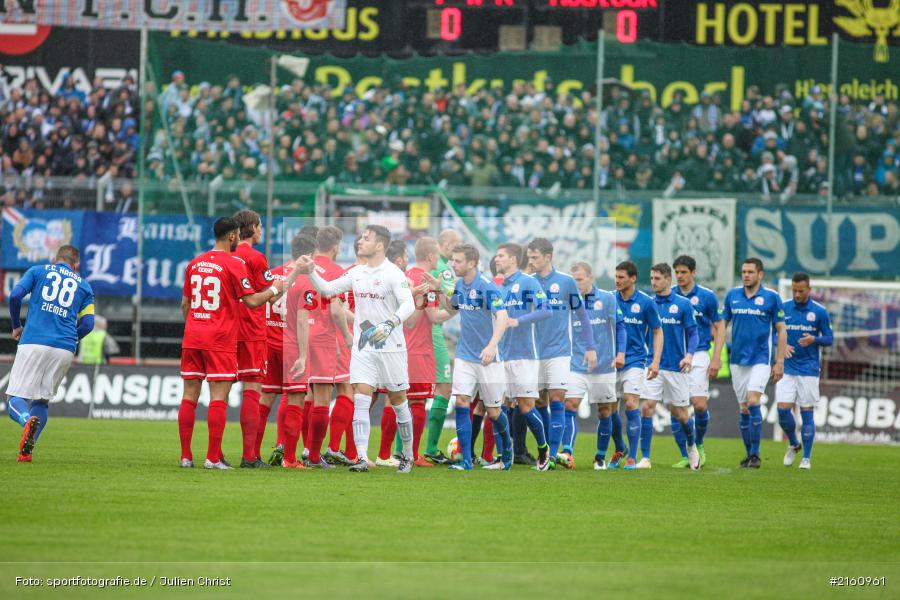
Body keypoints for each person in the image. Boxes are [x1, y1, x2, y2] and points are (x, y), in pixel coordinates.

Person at [293, 225, 418, 473]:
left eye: (366, 238)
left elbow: (409, 304)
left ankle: (407, 453)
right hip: (364, 347)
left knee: (398, 400)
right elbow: (328, 290)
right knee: (361, 398)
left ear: (380, 245)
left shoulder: (393, 273)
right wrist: (311, 273)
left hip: (392, 347)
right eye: (361, 237)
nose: (360, 241)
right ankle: (361, 457)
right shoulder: (357, 272)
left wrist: (391, 323)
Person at [178, 218, 284, 470]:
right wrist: (275, 289)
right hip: (220, 337)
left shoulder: (195, 262)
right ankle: (213, 457)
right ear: (233, 236)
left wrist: (194, 325)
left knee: (189, 396)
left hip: (192, 335)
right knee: (219, 397)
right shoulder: (234, 263)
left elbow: (185, 303)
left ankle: (185, 456)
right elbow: (252, 302)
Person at [424, 243, 512, 471]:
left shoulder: (487, 286)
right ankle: (465, 461)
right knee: (462, 401)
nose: (453, 264)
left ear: (472, 263)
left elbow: (502, 317)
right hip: (465, 356)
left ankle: (507, 452)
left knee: (494, 411)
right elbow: (453, 308)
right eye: (453, 260)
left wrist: (492, 346)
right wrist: (439, 290)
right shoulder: (460, 284)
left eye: (458, 261)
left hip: (488, 358)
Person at [6, 245, 95, 462]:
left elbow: (16, 295)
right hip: (64, 348)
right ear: (77, 265)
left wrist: (17, 325)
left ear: (54, 259)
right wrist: (71, 339)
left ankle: (26, 420)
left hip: (34, 341)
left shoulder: (38, 271)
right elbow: (89, 324)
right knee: (42, 402)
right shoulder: (84, 287)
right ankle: (27, 451)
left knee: (14, 399)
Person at [525, 238, 597, 469]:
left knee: (557, 398)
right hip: (534, 352)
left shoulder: (566, 282)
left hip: (559, 351)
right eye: (529, 257)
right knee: (538, 401)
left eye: (535, 257)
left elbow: (582, 315)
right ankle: (545, 448)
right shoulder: (528, 282)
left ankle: (552, 454)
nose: (531, 261)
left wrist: (591, 347)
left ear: (548, 257)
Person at [721, 257, 787, 469]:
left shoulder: (771, 297)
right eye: (743, 272)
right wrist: (716, 356)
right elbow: (723, 324)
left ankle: (756, 454)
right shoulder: (732, 295)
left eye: (750, 272)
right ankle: (749, 454)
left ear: (760, 274)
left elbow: (781, 329)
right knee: (743, 409)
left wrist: (780, 361)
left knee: (752, 401)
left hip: (761, 358)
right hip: (737, 360)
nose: (746, 275)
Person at [493, 242, 553, 470]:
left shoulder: (528, 281)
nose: (497, 259)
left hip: (525, 354)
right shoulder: (498, 287)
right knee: (499, 406)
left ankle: (543, 450)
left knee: (527, 406)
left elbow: (546, 309)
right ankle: (503, 457)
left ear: (513, 259)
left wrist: (519, 321)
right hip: (502, 355)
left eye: (501, 256)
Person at [636, 263, 701, 471]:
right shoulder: (648, 303)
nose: (653, 282)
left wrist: (689, 356)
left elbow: (693, 333)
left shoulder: (683, 305)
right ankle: (645, 457)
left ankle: (691, 446)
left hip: (677, 366)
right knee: (646, 407)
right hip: (653, 365)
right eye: (652, 278)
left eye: (657, 279)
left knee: (681, 414)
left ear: (668, 280)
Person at [566, 262, 626, 470]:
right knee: (570, 404)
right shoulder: (569, 301)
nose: (576, 284)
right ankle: (567, 452)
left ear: (591, 277)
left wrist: (620, 354)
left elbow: (620, 327)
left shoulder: (608, 299)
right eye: (573, 280)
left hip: (604, 365)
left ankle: (600, 456)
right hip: (576, 364)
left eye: (580, 279)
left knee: (605, 411)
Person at [304, 226, 353, 469]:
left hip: (300, 336)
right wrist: (345, 336)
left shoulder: (305, 266)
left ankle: (297, 450)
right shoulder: (337, 272)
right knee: (324, 398)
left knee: (303, 395)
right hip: (323, 337)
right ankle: (315, 456)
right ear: (336, 247)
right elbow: (336, 309)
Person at [231, 209, 275, 468]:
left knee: (220, 390)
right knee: (252, 390)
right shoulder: (257, 258)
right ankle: (249, 456)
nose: (262, 231)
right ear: (252, 228)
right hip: (252, 331)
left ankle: (213, 455)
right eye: (260, 226)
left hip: (226, 332)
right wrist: (282, 285)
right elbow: (267, 295)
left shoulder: (227, 255)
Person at [671, 255, 724, 468]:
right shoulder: (670, 294)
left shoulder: (707, 297)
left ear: (693, 273)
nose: (680, 276)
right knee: (677, 406)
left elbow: (720, 326)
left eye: (684, 272)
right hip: (675, 355)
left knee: (700, 405)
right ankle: (686, 454)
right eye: (677, 272)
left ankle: (698, 444)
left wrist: (717, 357)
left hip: (700, 354)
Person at [776, 272, 832, 470]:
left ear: (809, 289)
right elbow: (773, 333)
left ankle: (806, 458)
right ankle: (793, 443)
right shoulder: (784, 307)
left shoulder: (819, 311)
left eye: (801, 290)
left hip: (808, 369)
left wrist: (814, 339)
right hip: (788, 367)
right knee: (782, 411)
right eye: (794, 290)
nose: (797, 294)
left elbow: (830, 338)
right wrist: (781, 344)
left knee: (807, 413)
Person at [614, 261, 662, 470]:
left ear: (633, 278)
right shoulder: (609, 299)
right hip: (611, 361)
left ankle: (632, 457)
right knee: (609, 410)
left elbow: (657, 331)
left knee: (631, 403)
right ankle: (619, 448)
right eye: (616, 276)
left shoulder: (646, 302)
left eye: (622, 277)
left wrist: (656, 360)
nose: (617, 280)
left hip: (635, 360)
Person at [422, 229, 462, 464]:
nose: (456, 252)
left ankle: (398, 451)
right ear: (446, 244)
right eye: (456, 246)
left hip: (411, 336)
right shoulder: (444, 269)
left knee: (406, 395)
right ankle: (431, 449)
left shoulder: (419, 270)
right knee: (444, 389)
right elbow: (452, 301)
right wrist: (456, 308)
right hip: (433, 335)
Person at [280, 234, 319, 469]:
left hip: (274, 341)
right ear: (310, 256)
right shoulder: (306, 282)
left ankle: (253, 455)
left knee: (267, 397)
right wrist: (303, 357)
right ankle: (290, 458)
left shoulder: (279, 275)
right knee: (297, 399)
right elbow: (303, 322)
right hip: (292, 345)